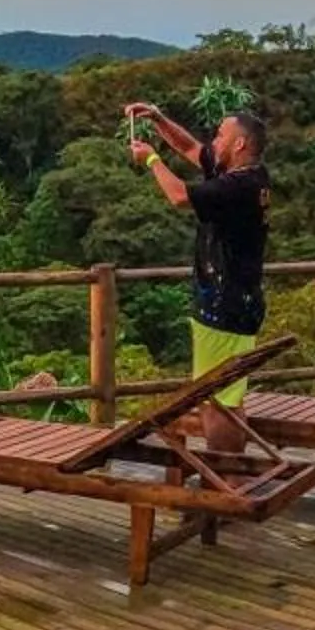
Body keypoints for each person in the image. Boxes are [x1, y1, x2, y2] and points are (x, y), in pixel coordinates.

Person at [125, 102, 271, 451]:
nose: (214, 141)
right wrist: (159, 120)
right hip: (241, 301)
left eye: (221, 135)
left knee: (216, 400)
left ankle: (224, 481)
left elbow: (178, 197)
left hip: (224, 304)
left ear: (239, 145)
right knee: (228, 395)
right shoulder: (249, 177)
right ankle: (233, 476)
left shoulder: (236, 188)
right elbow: (191, 149)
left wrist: (150, 160)